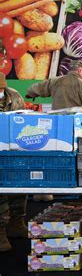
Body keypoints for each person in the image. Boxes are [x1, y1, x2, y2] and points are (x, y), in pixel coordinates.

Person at [26, 61, 82, 202]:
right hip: (77, 130)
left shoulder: (56, 81)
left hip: (57, 129)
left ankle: (47, 192)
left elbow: (36, 88)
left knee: (55, 156)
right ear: (80, 71)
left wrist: (29, 94)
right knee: (79, 158)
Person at [26, 61, 82, 129]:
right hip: (76, 123)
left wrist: (30, 93)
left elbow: (39, 88)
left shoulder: (55, 81)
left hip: (58, 121)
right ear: (79, 71)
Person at [0, 73, 28, 252]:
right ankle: (1, 230)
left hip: (14, 147)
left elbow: (24, 118)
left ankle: (17, 223)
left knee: (19, 186)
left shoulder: (15, 96)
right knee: (1, 190)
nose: (1, 93)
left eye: (2, 89)